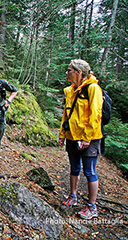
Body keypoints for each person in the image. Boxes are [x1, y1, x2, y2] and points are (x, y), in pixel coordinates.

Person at [59, 59, 103, 220]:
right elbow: (67, 114)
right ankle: (73, 196)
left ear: (79, 72)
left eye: (69, 70)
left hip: (90, 138)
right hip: (72, 136)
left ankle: (92, 206)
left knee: (89, 171)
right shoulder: (71, 90)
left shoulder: (93, 88)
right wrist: (62, 135)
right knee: (74, 167)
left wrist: (87, 138)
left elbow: (95, 115)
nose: (67, 72)